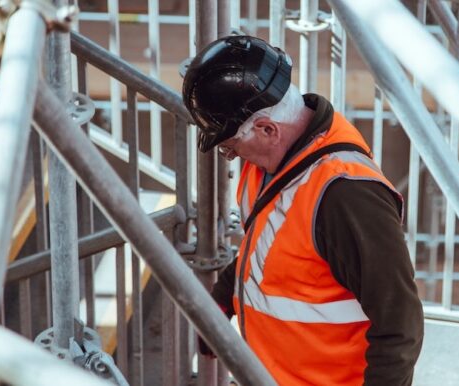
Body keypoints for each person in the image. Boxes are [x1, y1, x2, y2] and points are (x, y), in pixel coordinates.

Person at [182, 35, 424, 386]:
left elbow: (400, 326)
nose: (231, 156)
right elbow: (269, 244)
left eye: (231, 146)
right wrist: (224, 298)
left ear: (267, 129)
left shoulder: (346, 195)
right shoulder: (272, 164)